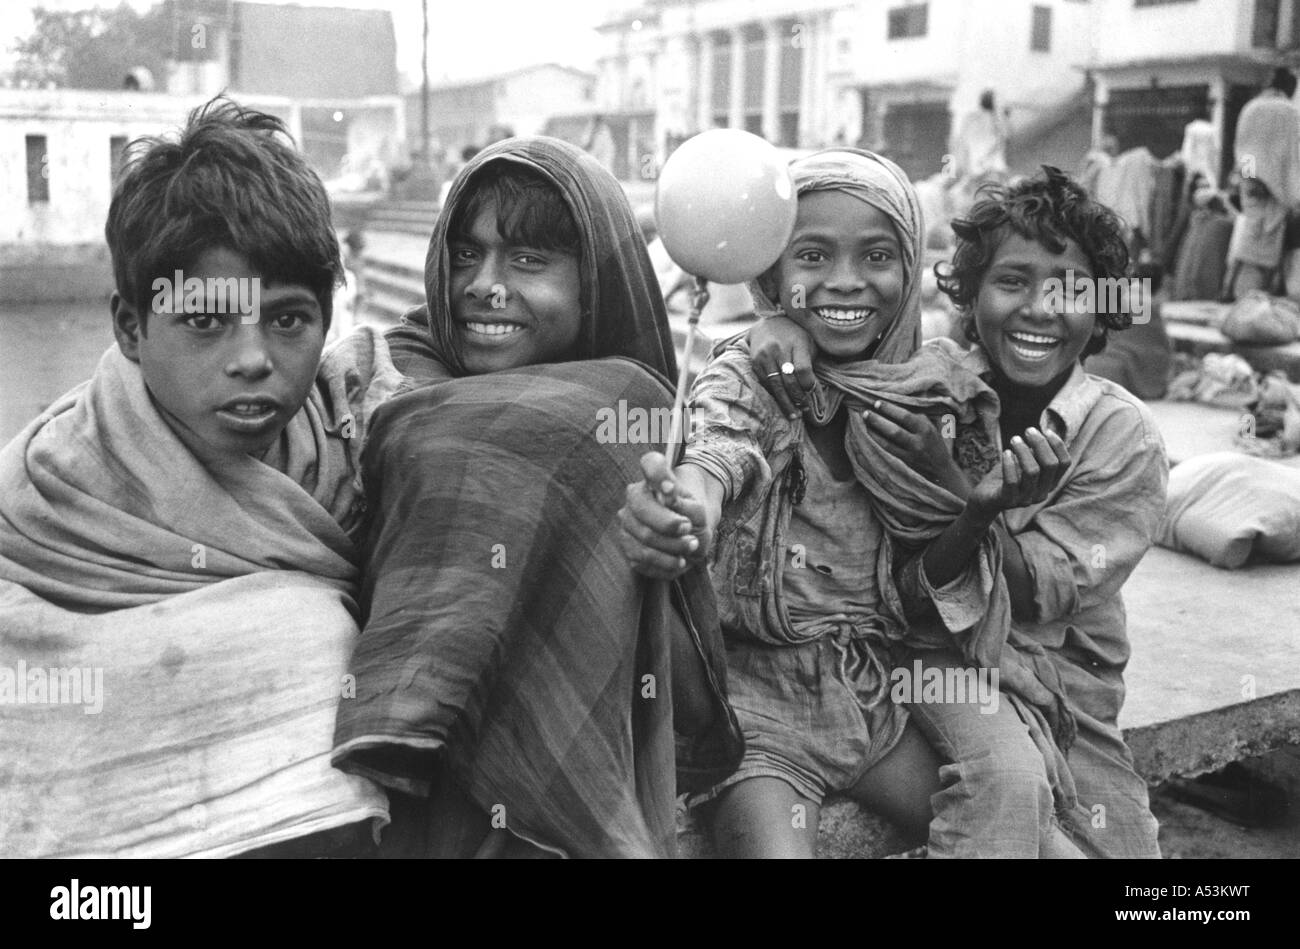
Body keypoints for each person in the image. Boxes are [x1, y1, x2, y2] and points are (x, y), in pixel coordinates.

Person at [618, 148, 1078, 858]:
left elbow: (912, 594)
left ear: (909, 271)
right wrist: (692, 508)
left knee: (1024, 823)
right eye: (811, 254)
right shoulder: (755, 372)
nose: (845, 281)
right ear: (771, 271)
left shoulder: (927, 392)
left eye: (877, 255)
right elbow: (721, 448)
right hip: (757, 697)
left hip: (869, 684)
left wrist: (976, 509)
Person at [0, 97, 405, 857]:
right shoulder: (42, 501)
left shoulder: (360, 448)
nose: (252, 357)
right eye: (206, 321)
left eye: (288, 320)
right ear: (130, 326)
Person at [331, 136, 742, 858]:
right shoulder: (392, 386)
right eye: (466, 254)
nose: (484, 284)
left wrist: (659, 559)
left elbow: (691, 702)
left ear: (598, 283)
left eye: (528, 261)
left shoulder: (629, 415)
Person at [744, 166, 1168, 858]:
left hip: (1061, 684)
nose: (1039, 309)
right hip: (908, 648)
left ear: (1101, 310)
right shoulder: (929, 378)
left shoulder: (1121, 435)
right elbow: (830, 361)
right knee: (1005, 786)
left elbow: (1029, 596)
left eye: (1069, 290)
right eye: (1011, 282)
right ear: (971, 295)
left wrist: (952, 485)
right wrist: (773, 327)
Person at [1227, 67, 1300, 298]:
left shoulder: (1251, 108)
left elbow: (1243, 150)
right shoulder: (1291, 112)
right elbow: (1292, 158)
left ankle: (1233, 294)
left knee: (1248, 246)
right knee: (1266, 256)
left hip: (1252, 187)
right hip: (1280, 193)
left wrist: (1250, 178)